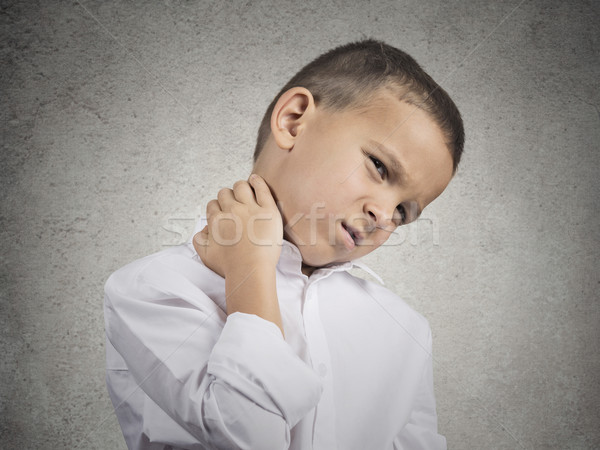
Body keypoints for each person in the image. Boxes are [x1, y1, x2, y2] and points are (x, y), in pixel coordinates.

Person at [104, 39, 464, 450]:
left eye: (404, 211)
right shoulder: (153, 288)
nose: (384, 215)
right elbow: (250, 437)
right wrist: (250, 272)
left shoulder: (406, 331)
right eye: (379, 166)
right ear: (293, 121)